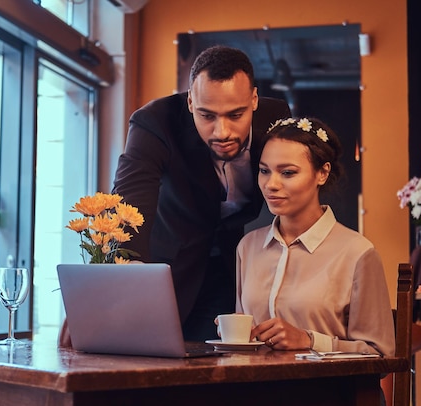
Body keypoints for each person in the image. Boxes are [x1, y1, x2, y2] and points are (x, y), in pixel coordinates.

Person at [112, 45, 291, 341]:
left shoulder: (277, 118)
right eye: (208, 116)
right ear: (191, 102)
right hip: (168, 259)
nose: (222, 132)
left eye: (235, 115)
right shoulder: (155, 123)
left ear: (255, 101)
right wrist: (119, 286)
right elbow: (128, 203)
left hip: (231, 260)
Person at [237, 116, 395, 358]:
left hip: (327, 392)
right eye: (264, 171)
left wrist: (310, 340)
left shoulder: (357, 253)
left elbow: (380, 352)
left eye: (288, 172)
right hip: (256, 391)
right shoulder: (248, 247)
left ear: (322, 173)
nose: (271, 184)